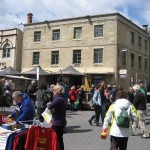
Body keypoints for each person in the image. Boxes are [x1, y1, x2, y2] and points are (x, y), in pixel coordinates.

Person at [47, 85, 67, 150]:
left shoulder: (58, 99)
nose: (52, 92)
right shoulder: (61, 98)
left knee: (58, 138)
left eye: (53, 90)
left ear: (56, 91)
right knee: (59, 138)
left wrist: (49, 104)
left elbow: (50, 106)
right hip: (59, 120)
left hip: (58, 122)